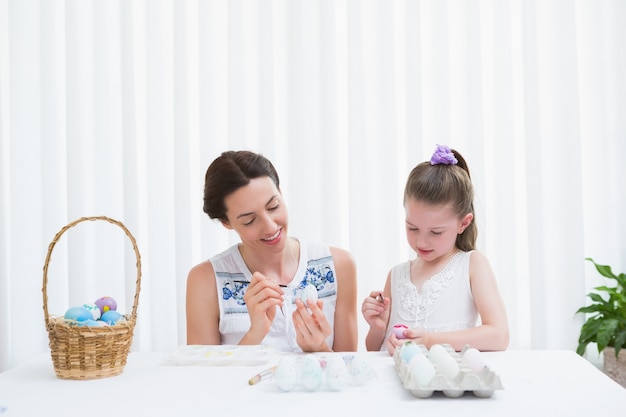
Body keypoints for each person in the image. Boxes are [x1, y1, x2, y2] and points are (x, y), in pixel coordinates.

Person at [186, 150, 358, 353]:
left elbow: (348, 374)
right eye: (250, 220)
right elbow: (203, 379)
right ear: (226, 222)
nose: (269, 227)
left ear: (281, 193)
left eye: (273, 206)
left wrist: (318, 347)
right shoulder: (206, 280)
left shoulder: (338, 265)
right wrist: (254, 334)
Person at [361, 144, 509, 355]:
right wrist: (377, 328)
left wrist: (430, 340)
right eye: (412, 228)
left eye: (436, 232)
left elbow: (499, 336)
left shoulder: (472, 265)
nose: (422, 242)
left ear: (463, 224)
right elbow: (374, 350)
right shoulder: (396, 275)